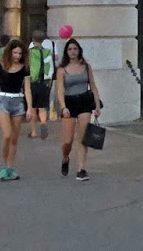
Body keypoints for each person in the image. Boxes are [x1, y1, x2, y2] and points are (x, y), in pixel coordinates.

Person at [0, 38, 34, 181]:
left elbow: (27, 88)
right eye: (15, 53)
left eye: (20, 53)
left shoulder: (25, 68)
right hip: (3, 101)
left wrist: (30, 107)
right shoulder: (1, 66)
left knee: (14, 139)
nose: (17, 56)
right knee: (7, 134)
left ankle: (10, 167)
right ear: (9, 52)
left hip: (18, 102)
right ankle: (4, 166)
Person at [53, 37, 103, 181]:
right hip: (69, 103)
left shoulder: (86, 66)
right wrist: (63, 107)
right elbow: (60, 90)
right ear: (66, 52)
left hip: (84, 101)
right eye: (70, 49)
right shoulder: (62, 69)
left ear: (79, 50)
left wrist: (97, 105)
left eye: (75, 49)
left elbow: (93, 85)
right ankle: (65, 157)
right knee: (67, 141)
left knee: (83, 138)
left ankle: (81, 169)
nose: (73, 52)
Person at [27, 29, 55, 140]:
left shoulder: (30, 52)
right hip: (44, 82)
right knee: (42, 107)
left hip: (33, 82)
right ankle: (43, 122)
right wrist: (49, 81)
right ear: (43, 40)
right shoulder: (47, 52)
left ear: (32, 39)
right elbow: (50, 67)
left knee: (33, 107)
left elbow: (28, 66)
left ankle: (34, 131)